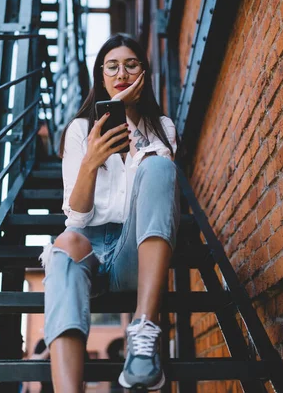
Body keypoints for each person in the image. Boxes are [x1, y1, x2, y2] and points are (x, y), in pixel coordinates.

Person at [39, 33, 180, 392]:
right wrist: (91, 161)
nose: (122, 73)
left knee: (160, 169)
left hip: (137, 249)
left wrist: (132, 129)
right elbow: (77, 217)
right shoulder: (80, 130)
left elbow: (156, 196)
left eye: (131, 64)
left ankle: (144, 333)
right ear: (100, 76)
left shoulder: (162, 128)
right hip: (90, 253)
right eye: (112, 66)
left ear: (144, 74)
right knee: (65, 242)